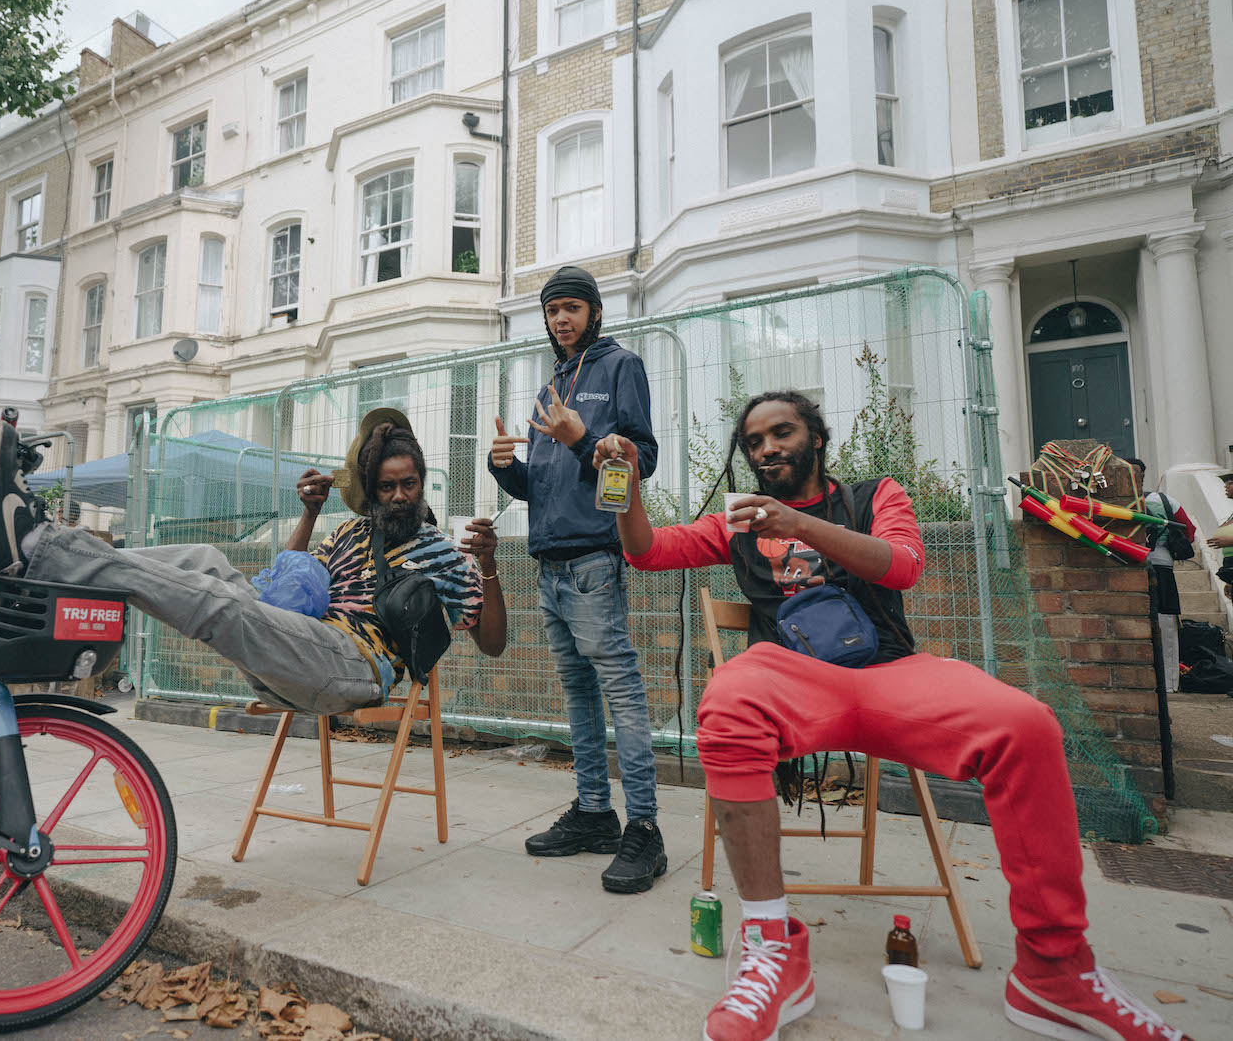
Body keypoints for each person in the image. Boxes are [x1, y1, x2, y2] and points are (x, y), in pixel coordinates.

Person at [592, 389, 1193, 1041]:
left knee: (1028, 726)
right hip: (794, 679)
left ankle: (1055, 972)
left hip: (891, 673)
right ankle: (773, 952)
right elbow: (645, 550)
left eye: (782, 432)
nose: (767, 448)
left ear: (816, 438)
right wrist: (622, 487)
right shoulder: (737, 521)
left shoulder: (876, 495)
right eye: (755, 441)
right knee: (730, 696)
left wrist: (799, 526)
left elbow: (903, 566)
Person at [0, 410, 507, 713]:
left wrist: (489, 567)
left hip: (354, 669)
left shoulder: (442, 553)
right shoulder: (348, 534)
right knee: (204, 557)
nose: (400, 495)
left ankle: (35, 550)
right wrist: (310, 515)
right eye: (387, 486)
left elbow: (492, 643)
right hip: (298, 646)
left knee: (222, 605)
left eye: (409, 484)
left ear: (422, 483)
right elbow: (289, 586)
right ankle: (33, 568)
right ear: (371, 488)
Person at [486, 264, 665, 894]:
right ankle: (594, 812)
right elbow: (542, 485)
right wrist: (503, 466)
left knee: (621, 692)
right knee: (579, 697)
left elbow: (638, 460)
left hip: (595, 559)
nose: (562, 319)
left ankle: (644, 826)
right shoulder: (551, 385)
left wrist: (585, 436)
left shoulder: (621, 368)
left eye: (573, 307)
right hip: (549, 564)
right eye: (553, 309)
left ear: (593, 311)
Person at [1127, 459, 1197, 693]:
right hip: (1162, 565)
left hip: (1123, 565)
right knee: (1166, 622)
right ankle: (1168, 683)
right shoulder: (1165, 500)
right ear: (1144, 474)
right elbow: (1189, 532)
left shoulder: (1109, 503)